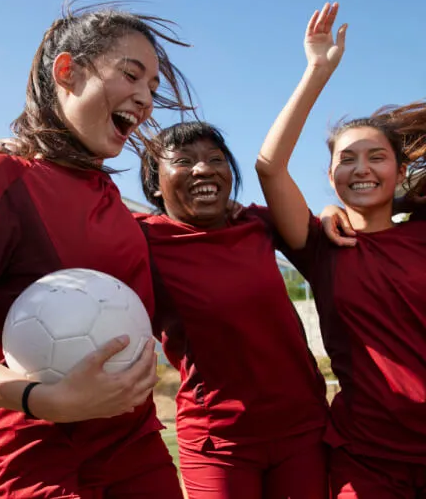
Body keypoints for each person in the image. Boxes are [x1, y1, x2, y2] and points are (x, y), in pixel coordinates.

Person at [0, 1, 195, 499]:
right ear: (66, 71)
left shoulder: (114, 201)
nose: (146, 99)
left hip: (137, 448)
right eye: (131, 75)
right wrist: (46, 399)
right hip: (41, 458)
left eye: (153, 88)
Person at [255, 2, 426, 499]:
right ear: (330, 176)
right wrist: (316, 71)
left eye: (377, 157)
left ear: (398, 170)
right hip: (366, 455)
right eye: (346, 159)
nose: (361, 168)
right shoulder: (321, 245)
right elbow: (269, 167)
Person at [135, 121, 330, 499]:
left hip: (303, 429)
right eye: (184, 161)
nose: (204, 168)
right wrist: (20, 158)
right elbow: (71, 220)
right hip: (217, 440)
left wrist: (333, 209)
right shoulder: (140, 236)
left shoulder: (258, 222)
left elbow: (334, 224)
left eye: (215, 159)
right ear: (156, 185)